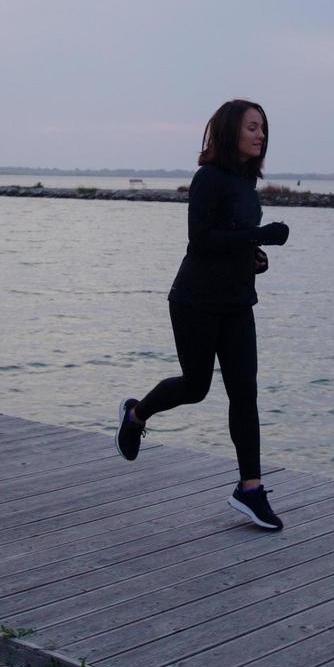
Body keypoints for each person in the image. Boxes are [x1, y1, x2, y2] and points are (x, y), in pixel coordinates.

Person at [117, 99, 290, 529]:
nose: (261, 135)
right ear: (231, 130)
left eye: (264, 128)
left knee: (244, 393)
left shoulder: (247, 184)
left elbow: (233, 242)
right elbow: (201, 239)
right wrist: (260, 234)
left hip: (237, 302)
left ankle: (250, 489)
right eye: (253, 127)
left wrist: (257, 256)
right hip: (194, 300)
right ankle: (136, 414)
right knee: (196, 387)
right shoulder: (208, 178)